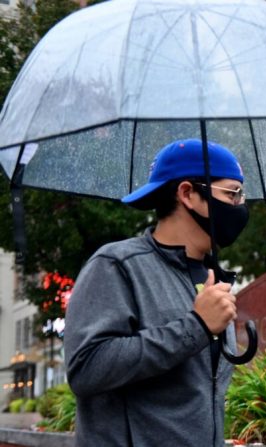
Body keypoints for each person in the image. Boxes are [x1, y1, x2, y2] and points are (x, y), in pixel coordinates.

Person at [64, 138, 250, 446]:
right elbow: (87, 369)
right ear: (188, 194)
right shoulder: (117, 266)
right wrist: (196, 326)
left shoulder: (212, 277)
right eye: (232, 193)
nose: (240, 206)